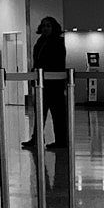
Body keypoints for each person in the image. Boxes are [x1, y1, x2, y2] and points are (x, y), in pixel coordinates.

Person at [23, 16, 68, 151]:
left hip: (54, 84)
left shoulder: (58, 42)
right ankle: (36, 137)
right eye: (43, 26)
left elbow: (57, 62)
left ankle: (61, 140)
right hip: (42, 83)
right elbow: (37, 61)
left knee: (58, 114)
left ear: (53, 27)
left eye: (48, 26)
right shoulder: (40, 42)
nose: (45, 28)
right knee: (40, 112)